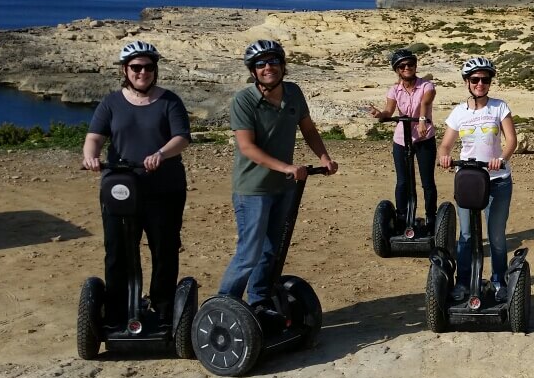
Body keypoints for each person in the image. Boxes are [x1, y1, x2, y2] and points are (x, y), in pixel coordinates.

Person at [218, 39, 338, 304]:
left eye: (273, 61)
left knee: (272, 249)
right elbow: (247, 147)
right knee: (250, 252)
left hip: (284, 187)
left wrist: (324, 157)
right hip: (253, 189)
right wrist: (287, 167)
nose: (268, 67)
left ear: (283, 66)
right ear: (253, 71)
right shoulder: (244, 100)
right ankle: (225, 306)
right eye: (260, 64)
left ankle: (258, 301)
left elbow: (308, 129)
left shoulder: (293, 92)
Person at [81, 41, 192, 325]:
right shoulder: (111, 103)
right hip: (120, 189)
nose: (142, 72)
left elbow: (181, 137)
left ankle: (164, 309)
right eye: (136, 67)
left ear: (155, 70)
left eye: (148, 67)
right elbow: (95, 136)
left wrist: (160, 154)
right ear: (125, 70)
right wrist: (91, 157)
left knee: (164, 249)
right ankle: (118, 311)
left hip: (164, 188)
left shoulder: (170, 101)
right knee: (118, 250)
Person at [437, 56, 517, 302]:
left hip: (498, 180)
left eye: (485, 79)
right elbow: (446, 144)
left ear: (490, 82)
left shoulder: (499, 107)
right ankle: (462, 283)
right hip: (469, 179)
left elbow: (511, 140)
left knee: (496, 235)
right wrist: (444, 157)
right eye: (475, 79)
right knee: (466, 236)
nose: (480, 83)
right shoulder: (458, 112)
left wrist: (500, 158)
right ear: (467, 82)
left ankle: (498, 282)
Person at [365, 48, 437, 230]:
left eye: (410, 64)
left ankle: (431, 218)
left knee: (427, 182)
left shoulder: (426, 86)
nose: (407, 68)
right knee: (403, 181)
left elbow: (425, 103)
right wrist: (379, 114)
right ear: (397, 70)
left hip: (424, 138)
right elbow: (389, 112)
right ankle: (402, 217)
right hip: (401, 139)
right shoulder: (394, 90)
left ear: (415, 66)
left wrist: (422, 120)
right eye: (402, 66)